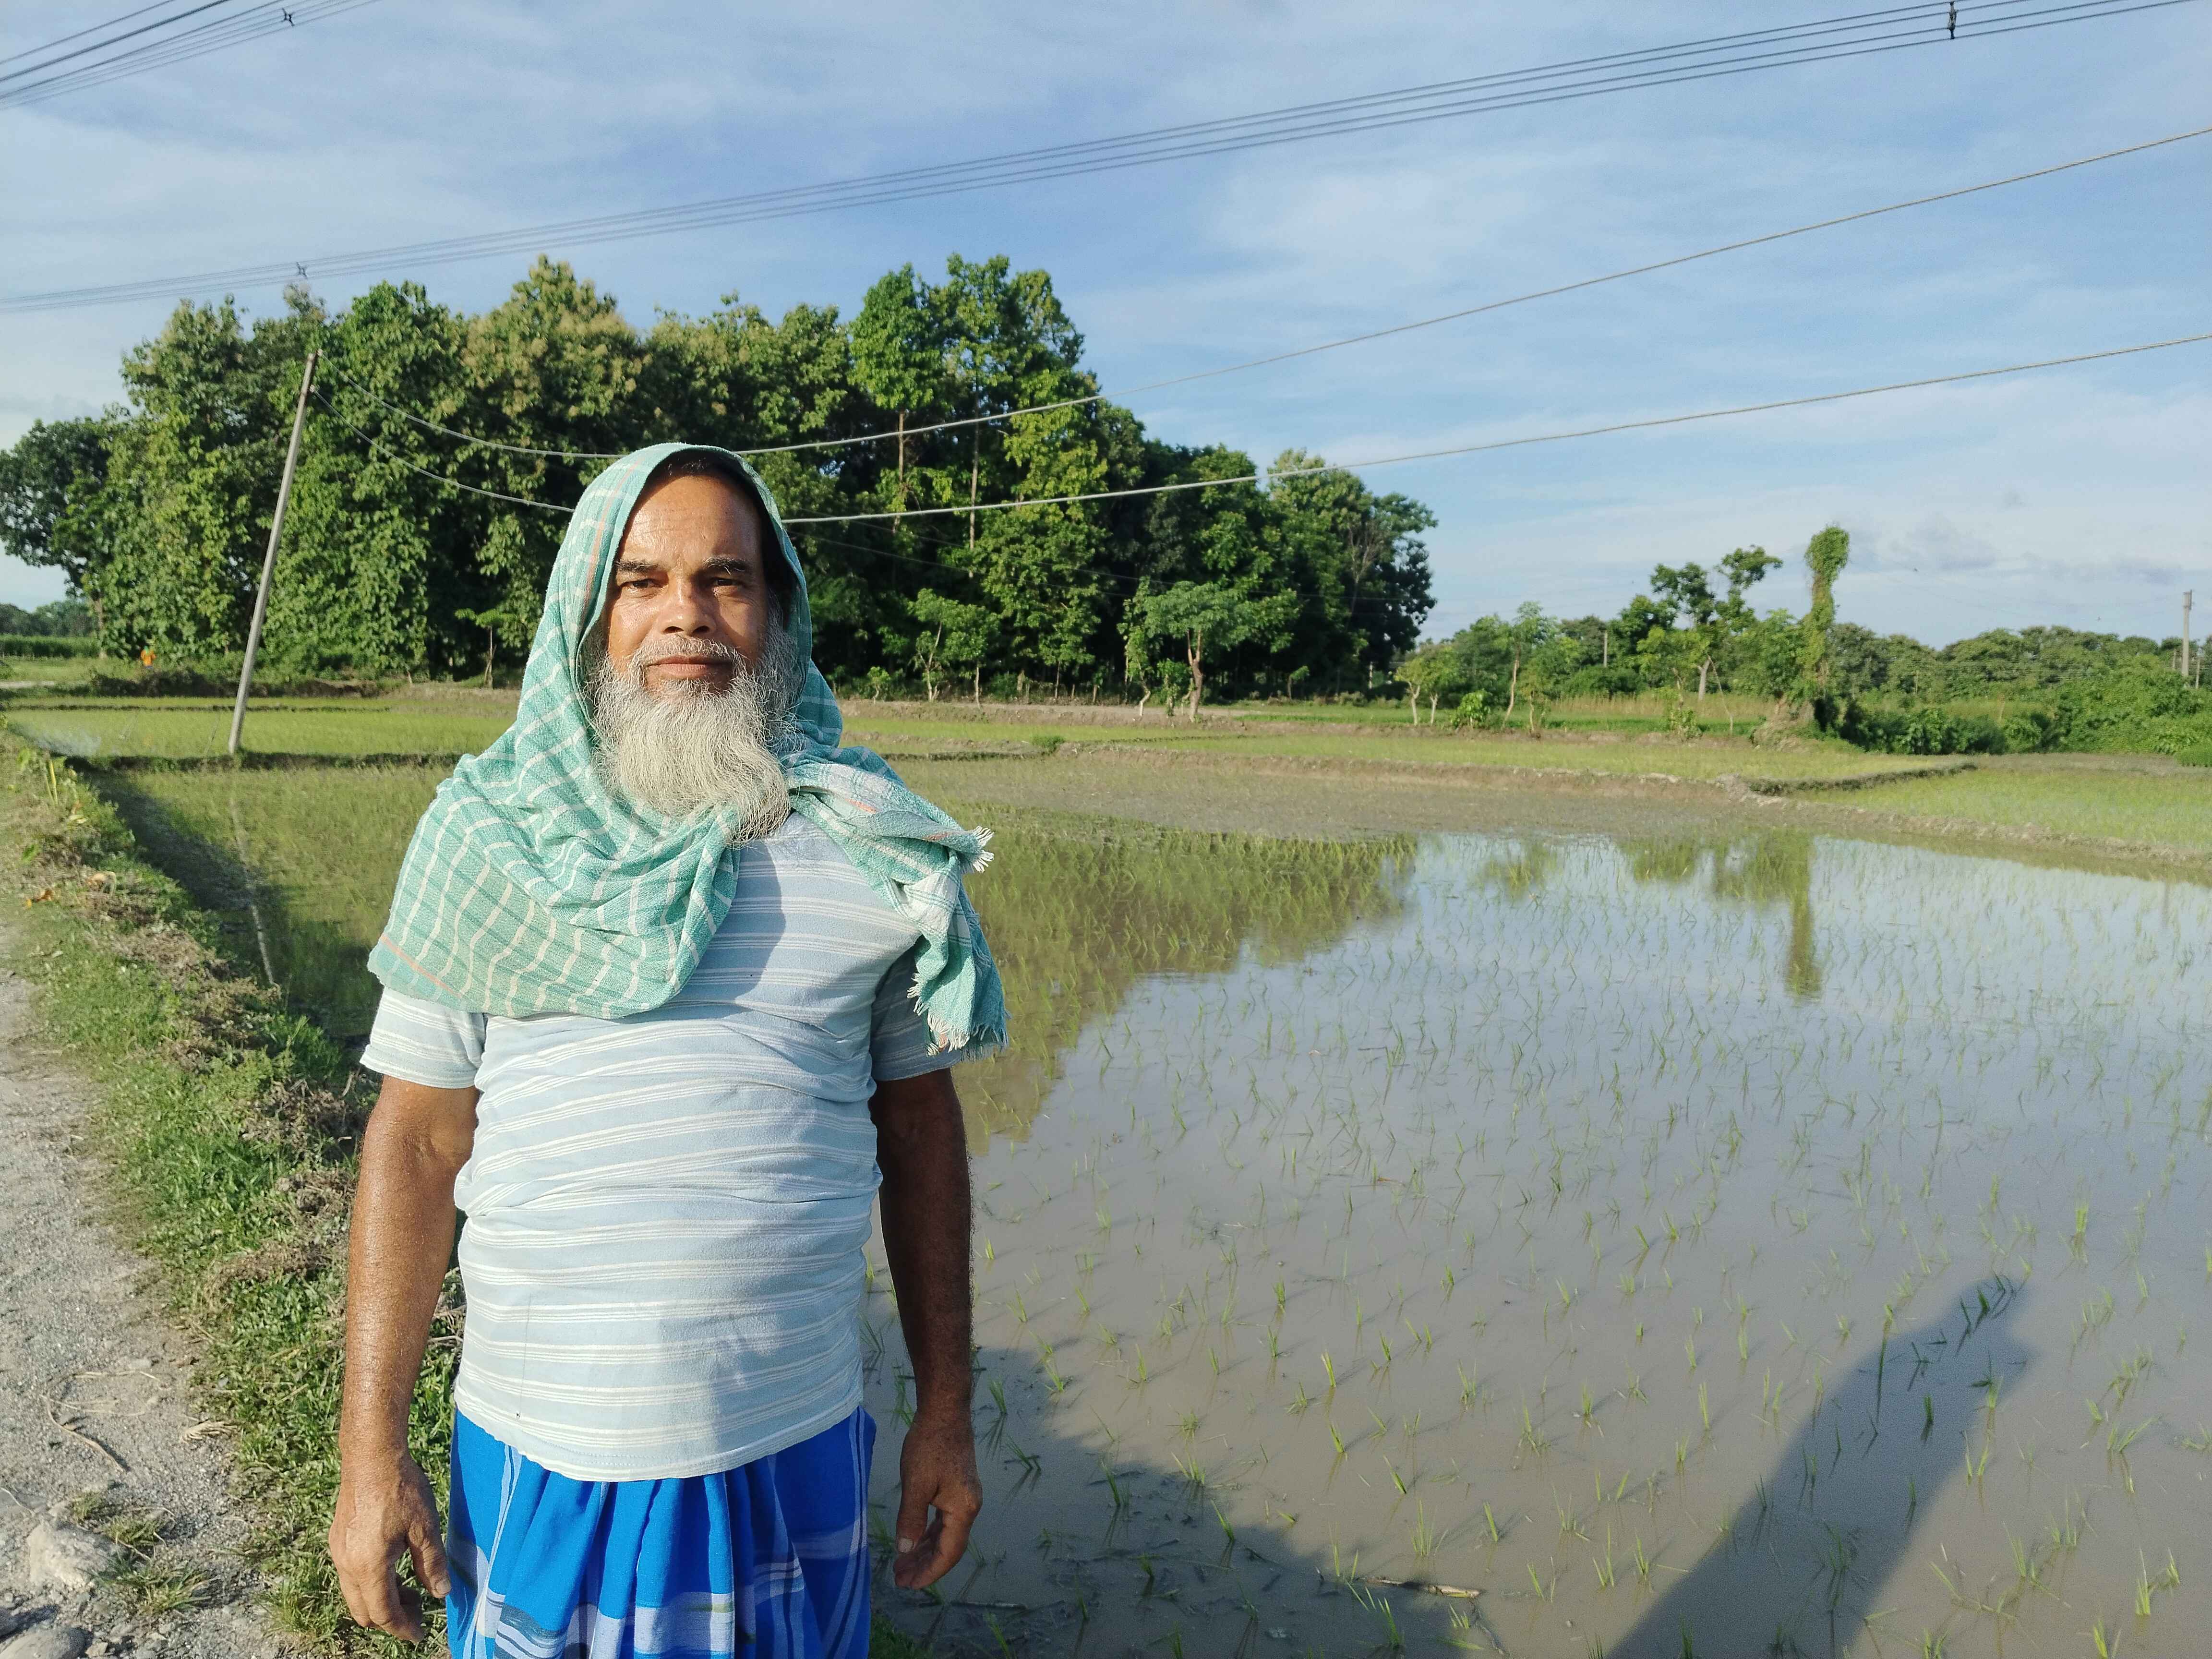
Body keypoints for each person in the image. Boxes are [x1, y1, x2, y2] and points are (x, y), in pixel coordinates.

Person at [326, 443, 1006, 1657]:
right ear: (588, 618)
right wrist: (370, 1452)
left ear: (778, 612)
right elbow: (418, 1144)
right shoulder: (495, 834)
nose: (685, 613)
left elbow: (920, 1133)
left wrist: (944, 1412)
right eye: (641, 582)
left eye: (725, 579)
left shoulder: (875, 846)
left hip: (793, 1437)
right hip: (546, 1449)